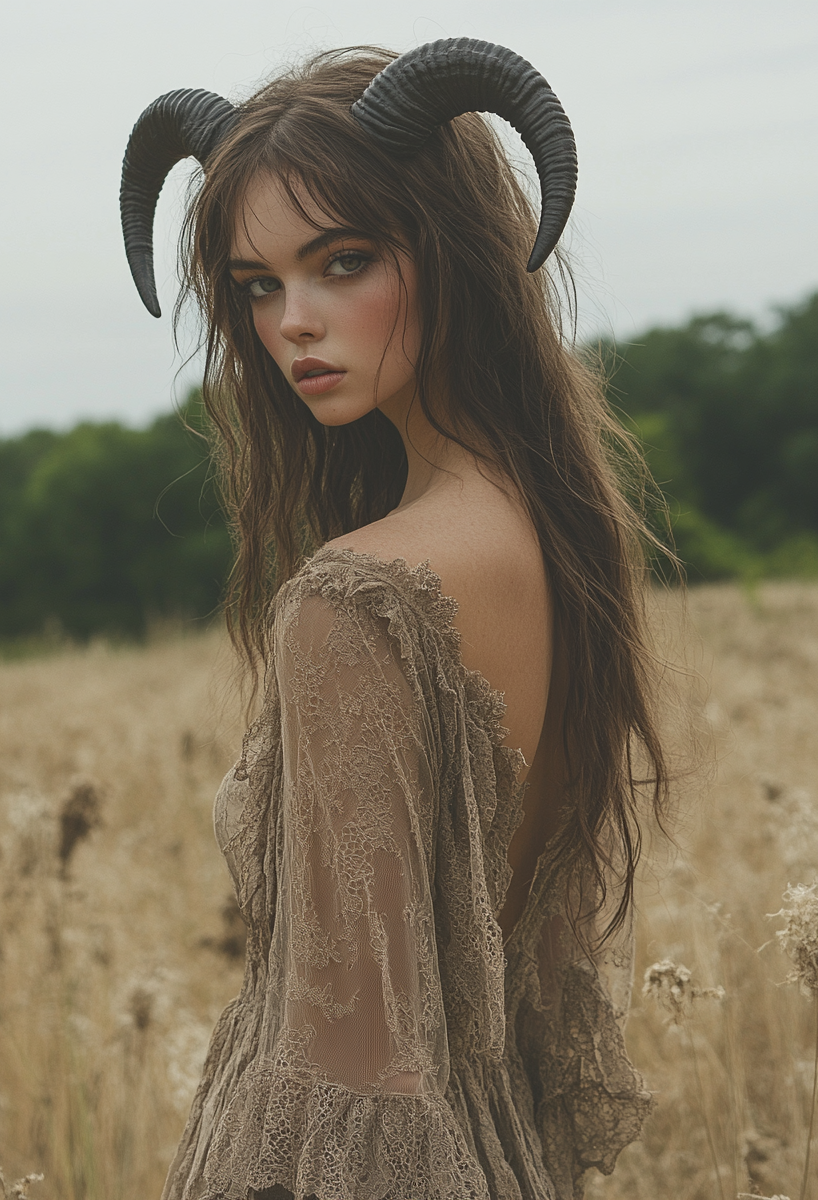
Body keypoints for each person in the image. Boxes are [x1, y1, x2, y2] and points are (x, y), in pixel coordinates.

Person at [119, 38, 668, 1200]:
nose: (292, 325)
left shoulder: (355, 597)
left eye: (344, 261)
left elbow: (358, 1068)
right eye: (257, 284)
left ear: (457, 253)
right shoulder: (552, 531)